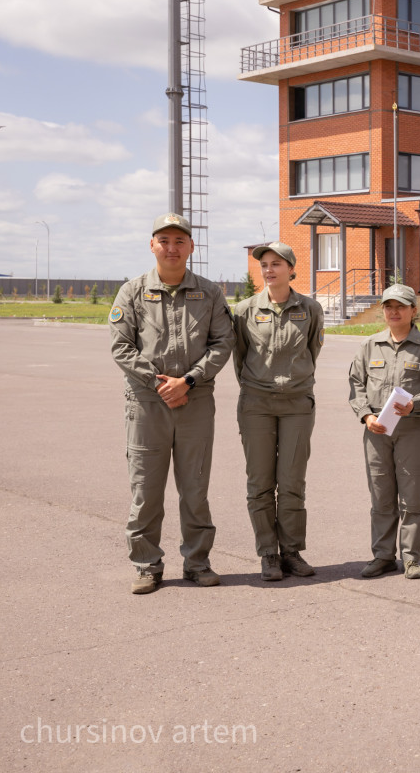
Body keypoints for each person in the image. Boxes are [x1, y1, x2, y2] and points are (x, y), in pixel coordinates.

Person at [109, 213, 234, 594]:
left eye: (179, 241)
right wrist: (160, 382)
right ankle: (147, 565)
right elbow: (121, 346)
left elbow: (222, 343)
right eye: (164, 240)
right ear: (152, 245)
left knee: (195, 489)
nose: (172, 248)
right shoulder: (132, 292)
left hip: (195, 401)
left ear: (191, 247)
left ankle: (197, 563)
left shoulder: (210, 293)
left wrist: (189, 380)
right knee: (146, 489)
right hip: (147, 404)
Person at [232, 241, 324, 582]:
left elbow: (312, 352)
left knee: (291, 482)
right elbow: (240, 358)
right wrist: (261, 385)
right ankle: (268, 553)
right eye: (264, 265)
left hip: (297, 405)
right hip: (256, 404)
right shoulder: (243, 310)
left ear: (290, 268)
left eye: (275, 264)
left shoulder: (311, 309)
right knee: (259, 482)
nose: (269, 270)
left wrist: (292, 383)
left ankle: (291, 552)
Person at [348, 284, 420, 580]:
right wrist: (366, 416)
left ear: (413, 311)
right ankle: (382, 556)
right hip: (377, 431)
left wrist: (415, 404)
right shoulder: (369, 345)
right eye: (388, 306)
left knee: (412, 497)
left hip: (412, 429)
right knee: (381, 496)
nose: (393, 312)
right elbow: (356, 384)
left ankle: (412, 558)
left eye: (400, 306)